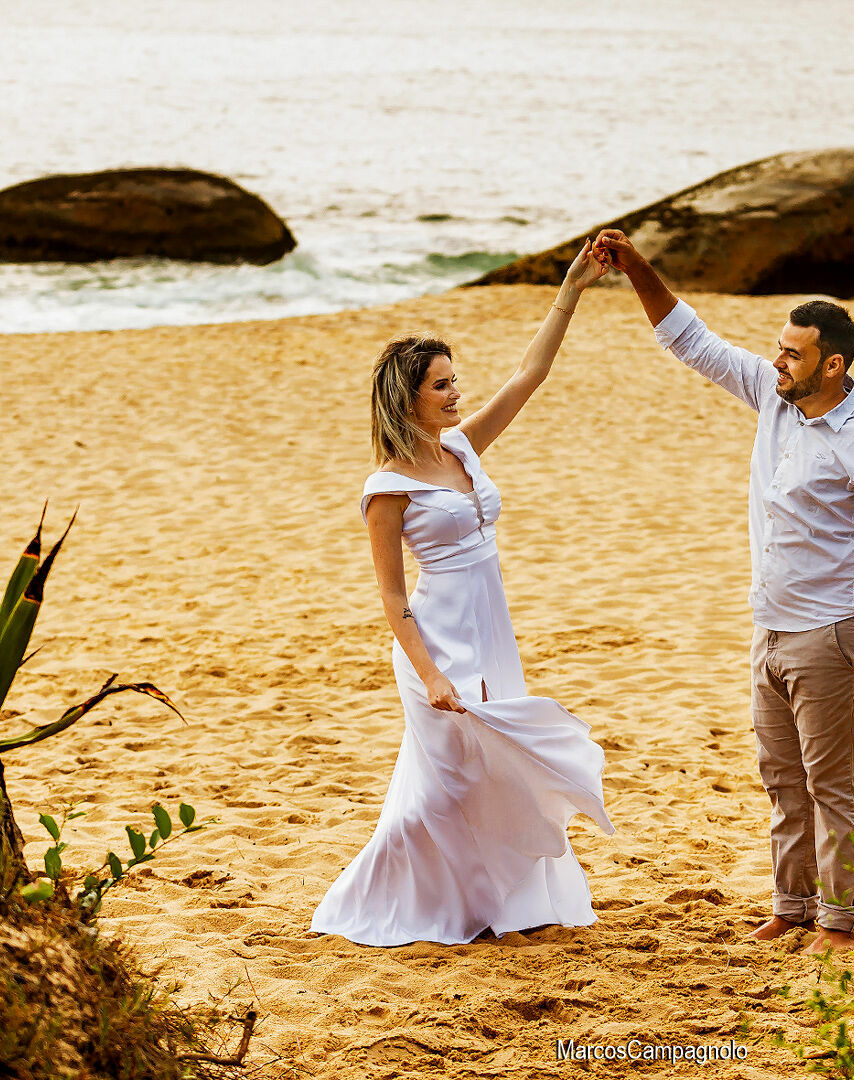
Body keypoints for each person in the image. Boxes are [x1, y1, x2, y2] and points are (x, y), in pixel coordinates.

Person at [591, 230, 854, 954]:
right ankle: (792, 907)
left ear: (831, 364)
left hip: (835, 631)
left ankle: (838, 925)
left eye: (792, 352)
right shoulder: (773, 396)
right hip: (770, 627)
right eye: (777, 348)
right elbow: (690, 340)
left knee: (832, 785)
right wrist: (634, 266)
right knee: (781, 779)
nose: (776, 361)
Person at [309, 242, 615, 947]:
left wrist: (570, 286)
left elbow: (529, 375)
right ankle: (403, 902)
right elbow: (390, 596)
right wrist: (430, 673)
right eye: (442, 385)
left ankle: (496, 904)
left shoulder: (464, 449)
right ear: (408, 397)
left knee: (496, 773)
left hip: (491, 632)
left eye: (454, 380)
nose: (456, 392)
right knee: (444, 787)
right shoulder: (386, 487)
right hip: (437, 641)